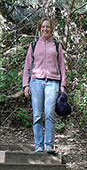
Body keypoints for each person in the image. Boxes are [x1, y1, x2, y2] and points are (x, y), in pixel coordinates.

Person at [22, 18, 67, 154]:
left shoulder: (57, 46)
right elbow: (27, 66)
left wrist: (63, 85)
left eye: (48, 27)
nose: (45, 29)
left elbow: (62, 66)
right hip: (36, 82)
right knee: (37, 115)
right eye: (43, 27)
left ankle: (49, 145)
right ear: (39, 28)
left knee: (49, 114)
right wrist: (26, 85)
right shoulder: (34, 45)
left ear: (51, 29)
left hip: (53, 82)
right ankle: (39, 145)